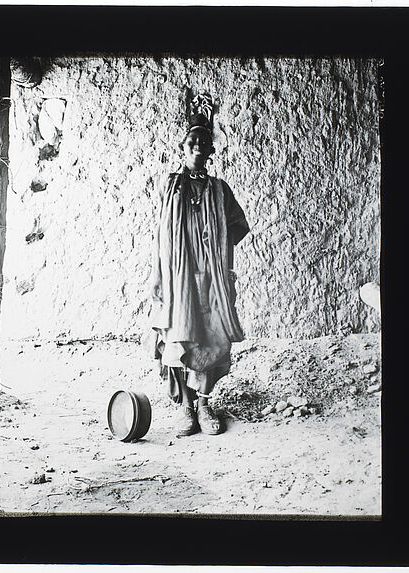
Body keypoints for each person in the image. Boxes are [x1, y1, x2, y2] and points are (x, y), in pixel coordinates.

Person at [149, 94, 250, 437]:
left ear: (211, 151)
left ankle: (204, 404)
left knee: (212, 337)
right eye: (193, 141)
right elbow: (160, 234)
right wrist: (157, 273)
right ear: (182, 146)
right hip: (178, 276)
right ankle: (185, 410)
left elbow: (237, 226)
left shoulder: (220, 190)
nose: (198, 147)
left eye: (204, 143)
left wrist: (217, 254)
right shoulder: (169, 185)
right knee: (180, 338)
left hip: (212, 276)